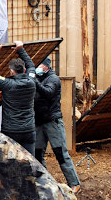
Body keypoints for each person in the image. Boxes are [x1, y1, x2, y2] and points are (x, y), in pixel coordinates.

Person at [34, 57, 81, 192]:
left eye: (40, 65)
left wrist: (35, 81)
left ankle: (74, 183)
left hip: (52, 122)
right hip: (38, 122)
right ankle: (45, 183)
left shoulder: (53, 79)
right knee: (38, 154)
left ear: (47, 67)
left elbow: (48, 93)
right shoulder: (36, 77)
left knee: (60, 153)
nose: (38, 68)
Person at [0, 41, 37, 155]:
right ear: (25, 70)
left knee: (10, 162)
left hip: (11, 131)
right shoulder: (31, 81)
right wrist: (21, 49)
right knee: (30, 162)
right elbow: (31, 66)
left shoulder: (7, 84)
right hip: (29, 130)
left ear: (11, 72)